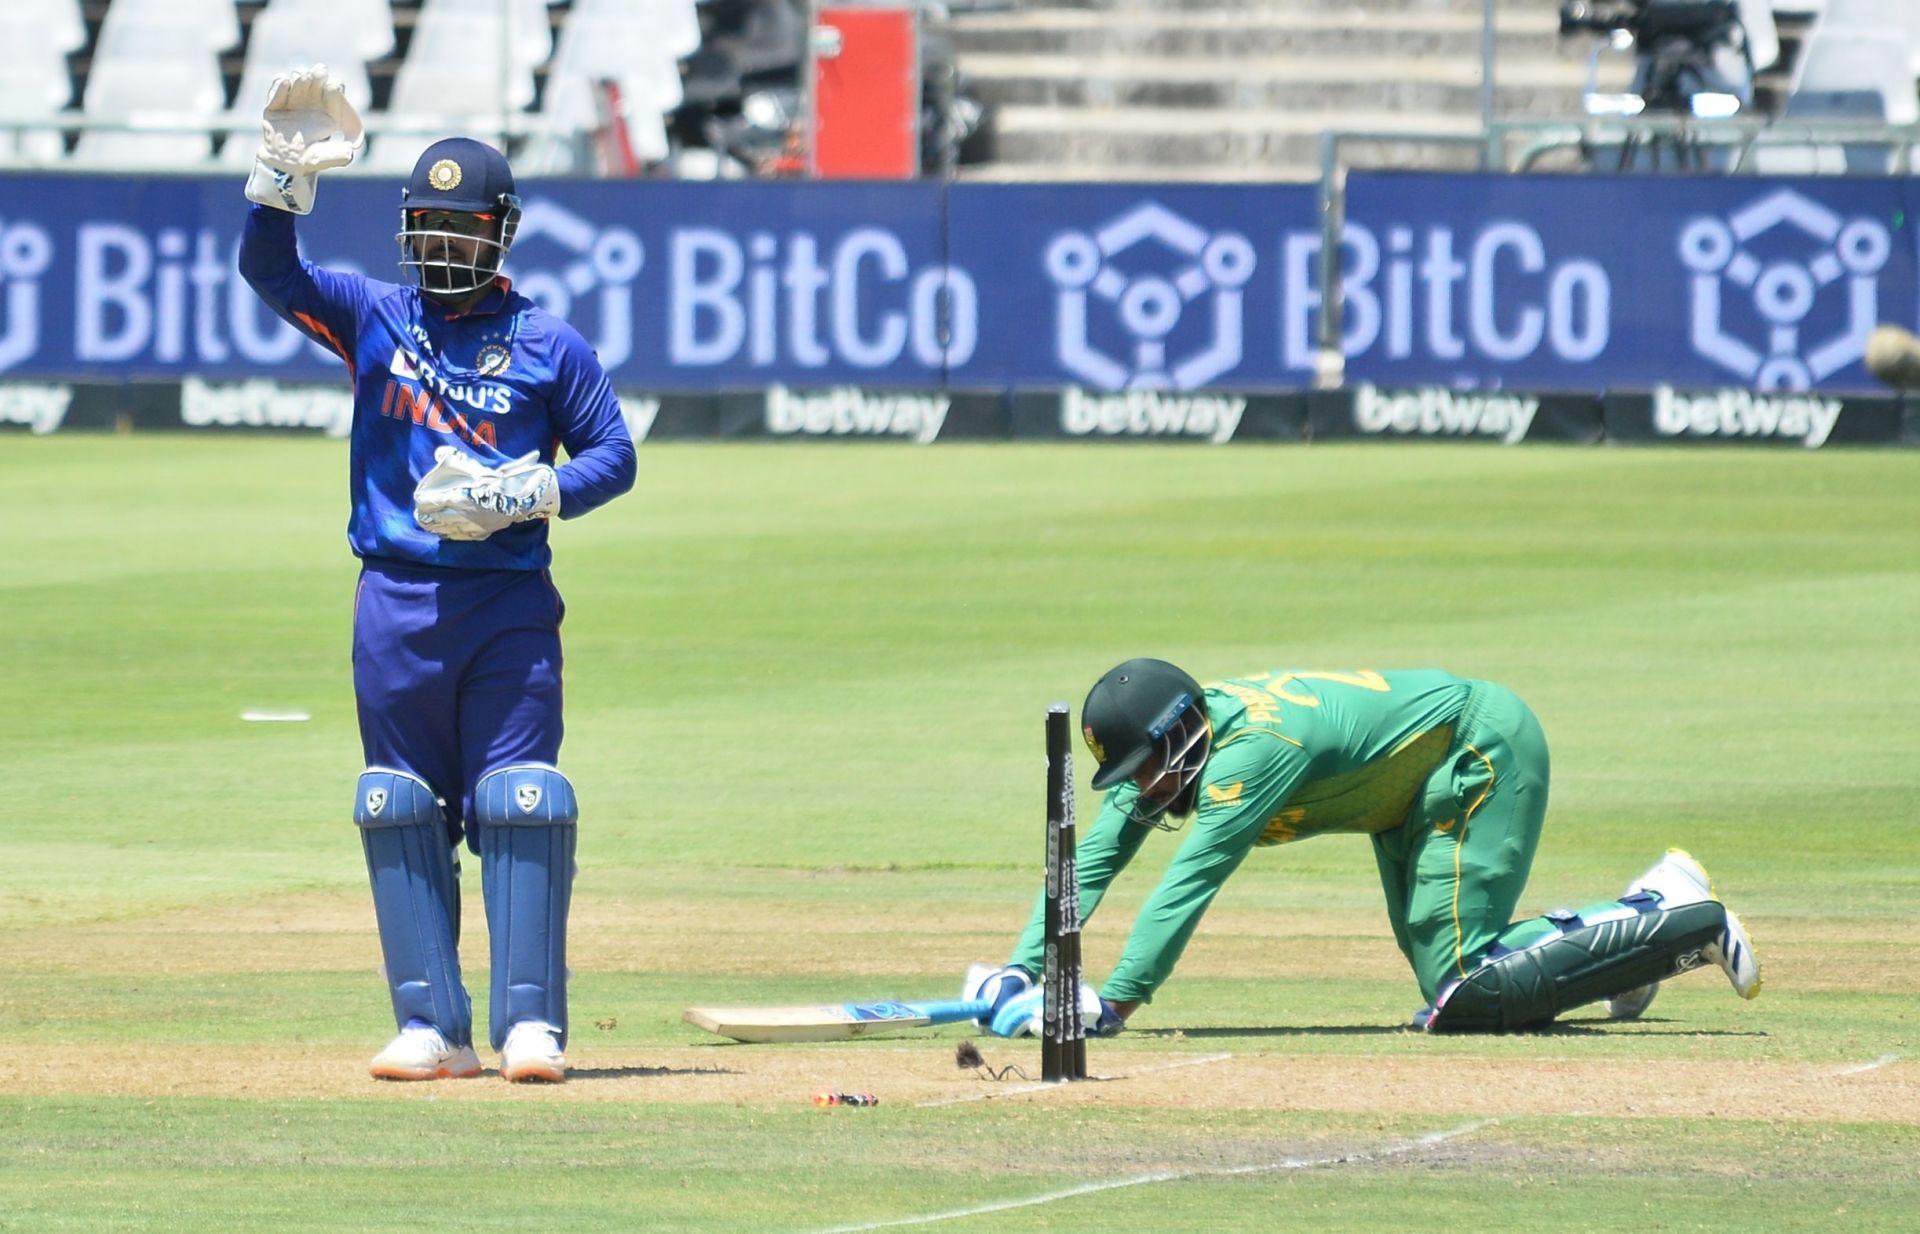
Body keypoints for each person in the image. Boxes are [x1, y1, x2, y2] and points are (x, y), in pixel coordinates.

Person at [237, 67, 637, 1081]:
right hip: (395, 601)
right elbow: (272, 273)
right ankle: (432, 1025)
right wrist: (280, 178)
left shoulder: (548, 343)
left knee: (521, 798)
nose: (442, 244)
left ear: (500, 233)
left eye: (460, 228)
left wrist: (530, 492)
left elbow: (613, 455)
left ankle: (531, 1023)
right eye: (426, 225)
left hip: (504, 605)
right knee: (398, 802)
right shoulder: (375, 314)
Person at [967, 659, 1762, 1036]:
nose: (1144, 792)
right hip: (1403, 797)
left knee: (1464, 991)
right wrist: (1024, 965)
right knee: (1463, 985)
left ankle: (1674, 912)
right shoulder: (1193, 743)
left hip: (1475, 750)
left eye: (1146, 772)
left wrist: (1114, 1001)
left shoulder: (1250, 754)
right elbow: (1098, 856)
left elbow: (1191, 881)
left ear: (1179, 734)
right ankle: (1637, 944)